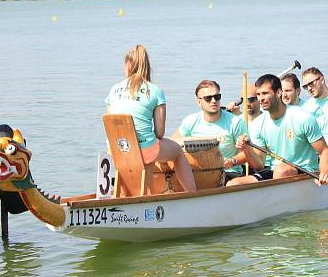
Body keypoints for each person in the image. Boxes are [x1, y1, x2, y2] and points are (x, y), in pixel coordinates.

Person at [106, 45, 196, 192]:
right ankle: (193, 196)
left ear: (128, 65)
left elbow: (111, 121)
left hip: (116, 148)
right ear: (147, 66)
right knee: (178, 152)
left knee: (145, 148)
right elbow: (160, 132)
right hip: (144, 149)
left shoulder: (114, 89)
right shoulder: (155, 90)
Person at [226, 74, 328, 187]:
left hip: (305, 171)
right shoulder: (258, 123)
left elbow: (324, 151)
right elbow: (259, 165)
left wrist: (324, 174)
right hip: (274, 171)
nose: (261, 98)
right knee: (233, 183)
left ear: (278, 93)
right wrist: (247, 149)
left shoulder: (302, 117)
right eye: (258, 94)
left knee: (281, 170)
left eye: (265, 93)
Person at [173, 79, 249, 180]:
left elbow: (247, 153)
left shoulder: (235, 122)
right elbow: (173, 143)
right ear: (199, 102)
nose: (213, 101)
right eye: (208, 98)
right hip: (197, 172)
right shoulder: (190, 121)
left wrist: (232, 161)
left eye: (217, 97)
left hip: (228, 173)